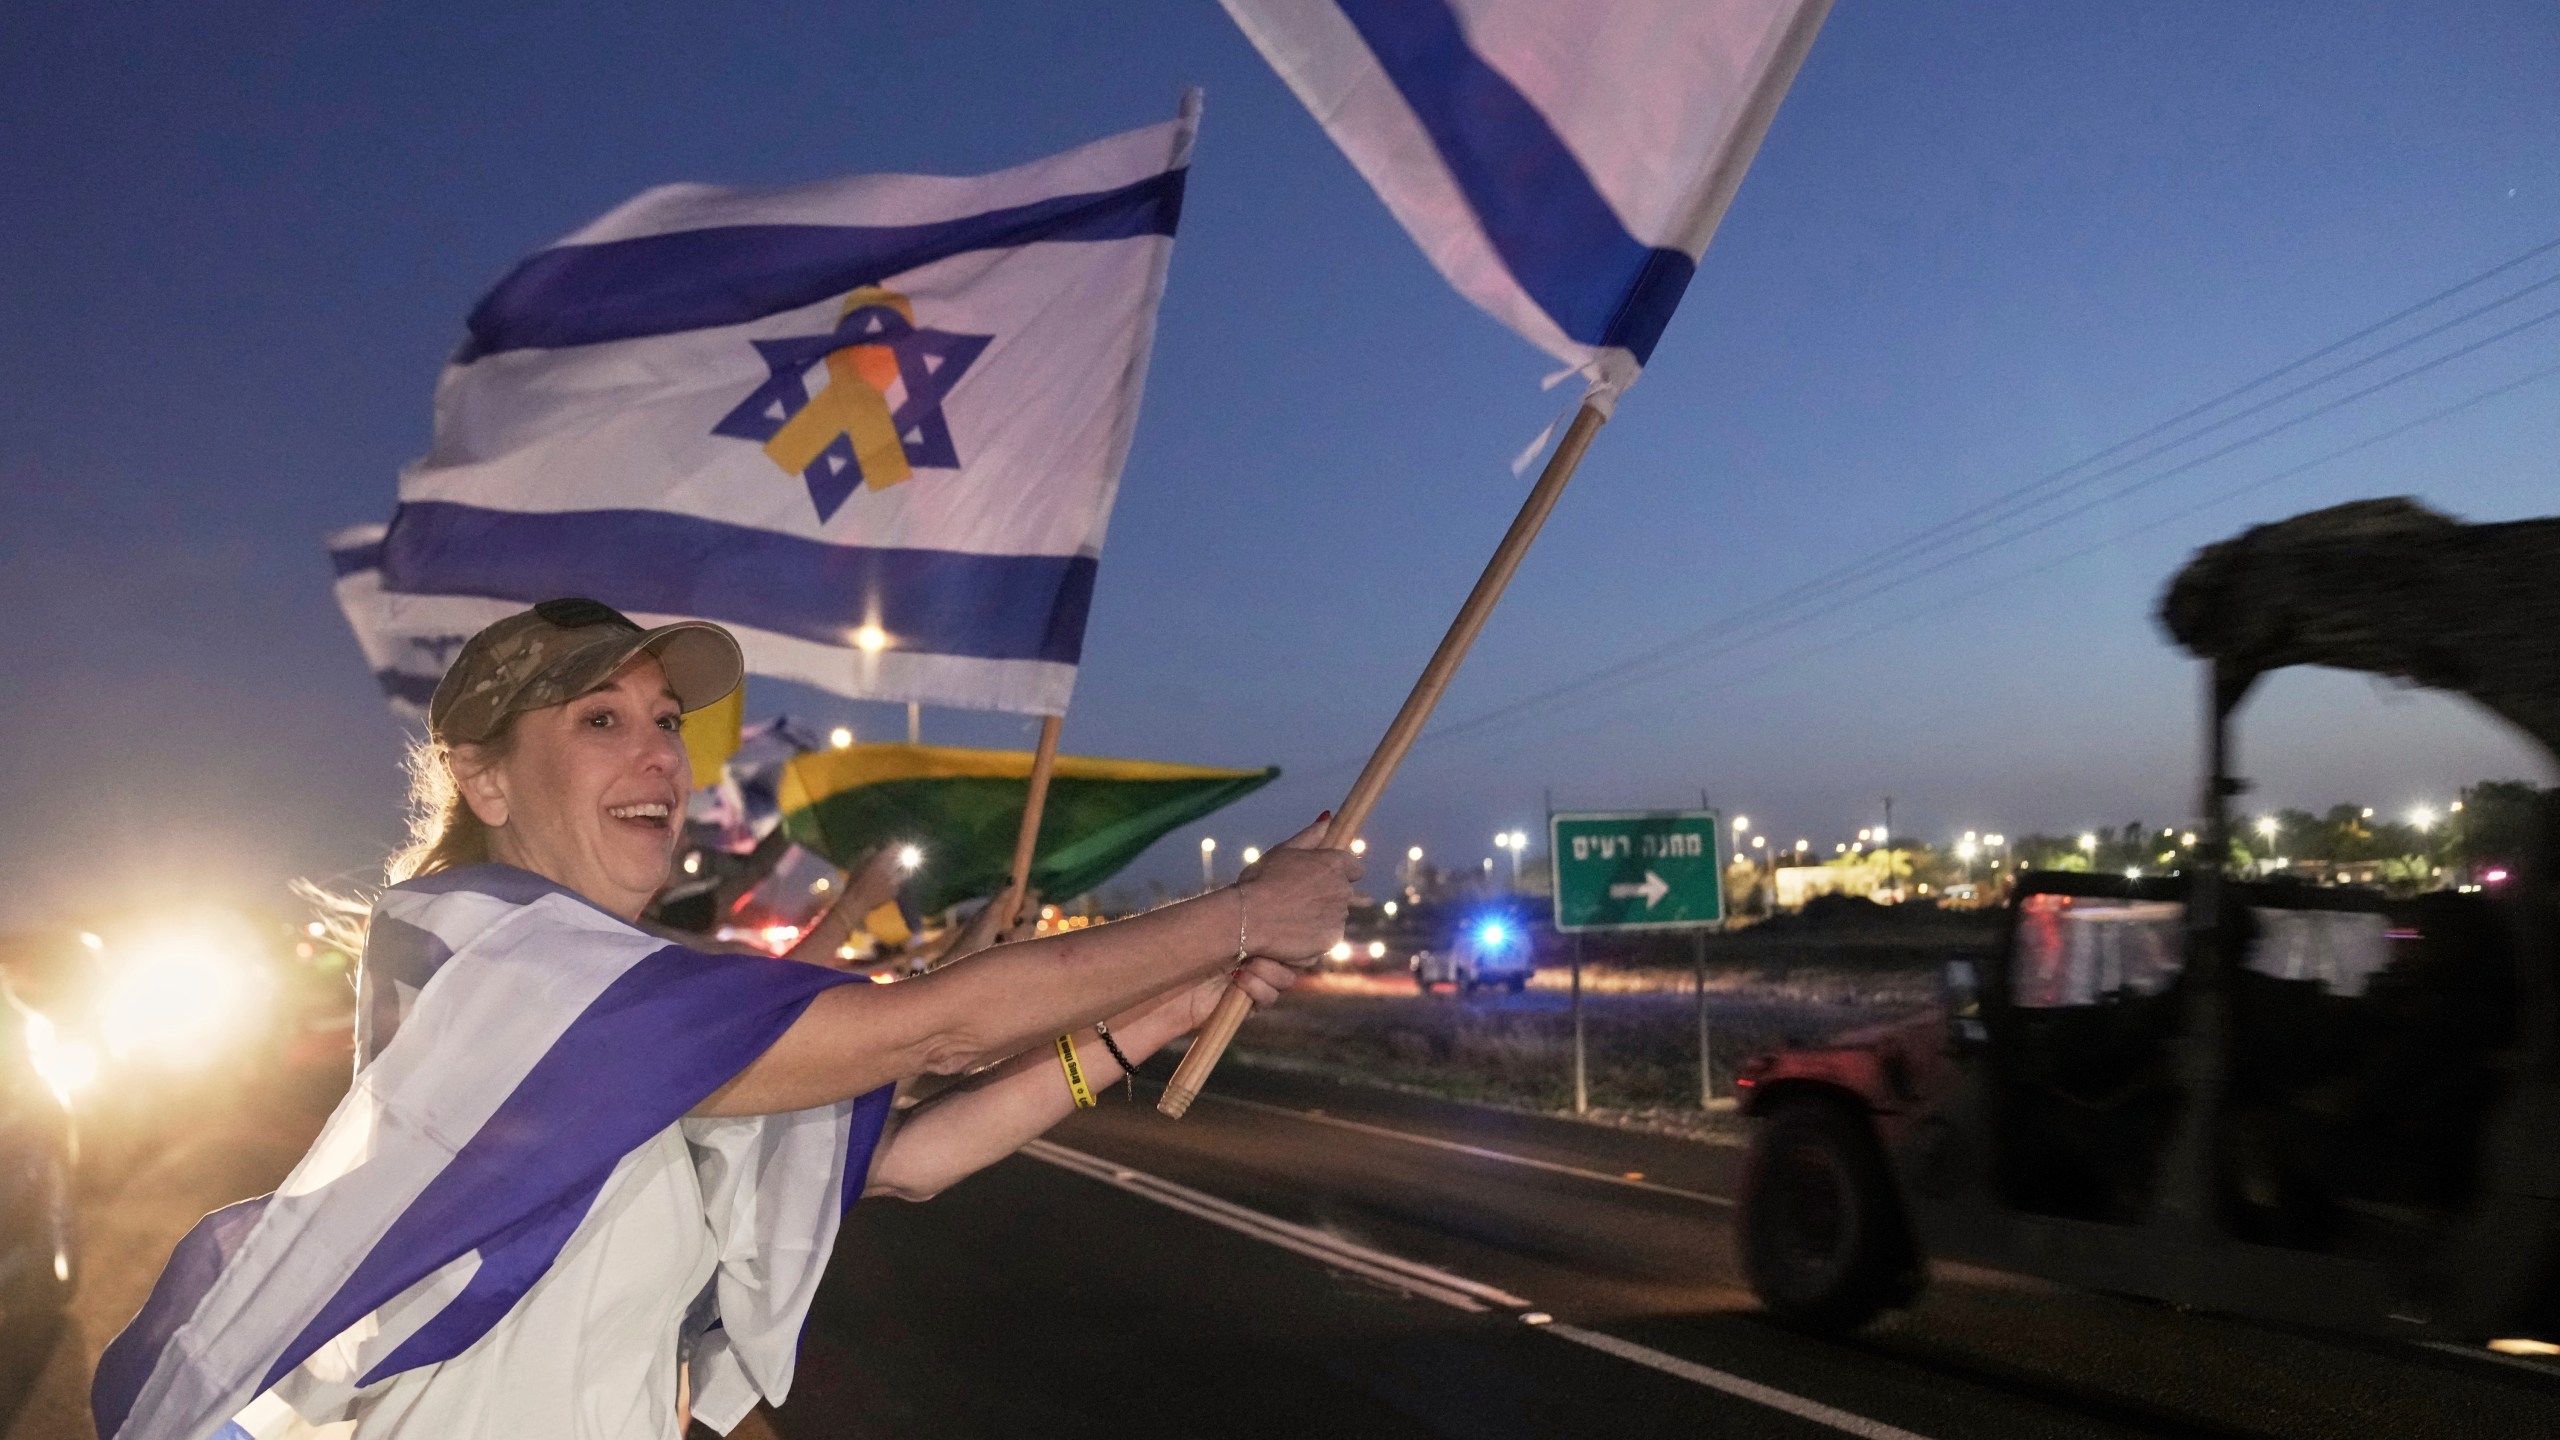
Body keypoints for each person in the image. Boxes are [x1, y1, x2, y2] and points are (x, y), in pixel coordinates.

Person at [93, 598, 1358, 1440]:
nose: (660, 755)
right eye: (600, 721)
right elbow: (923, 1033)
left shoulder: (609, 999)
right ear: (483, 777)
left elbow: (908, 1160)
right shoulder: (503, 969)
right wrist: (1240, 916)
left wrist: (1180, 1005)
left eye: (665, 722)